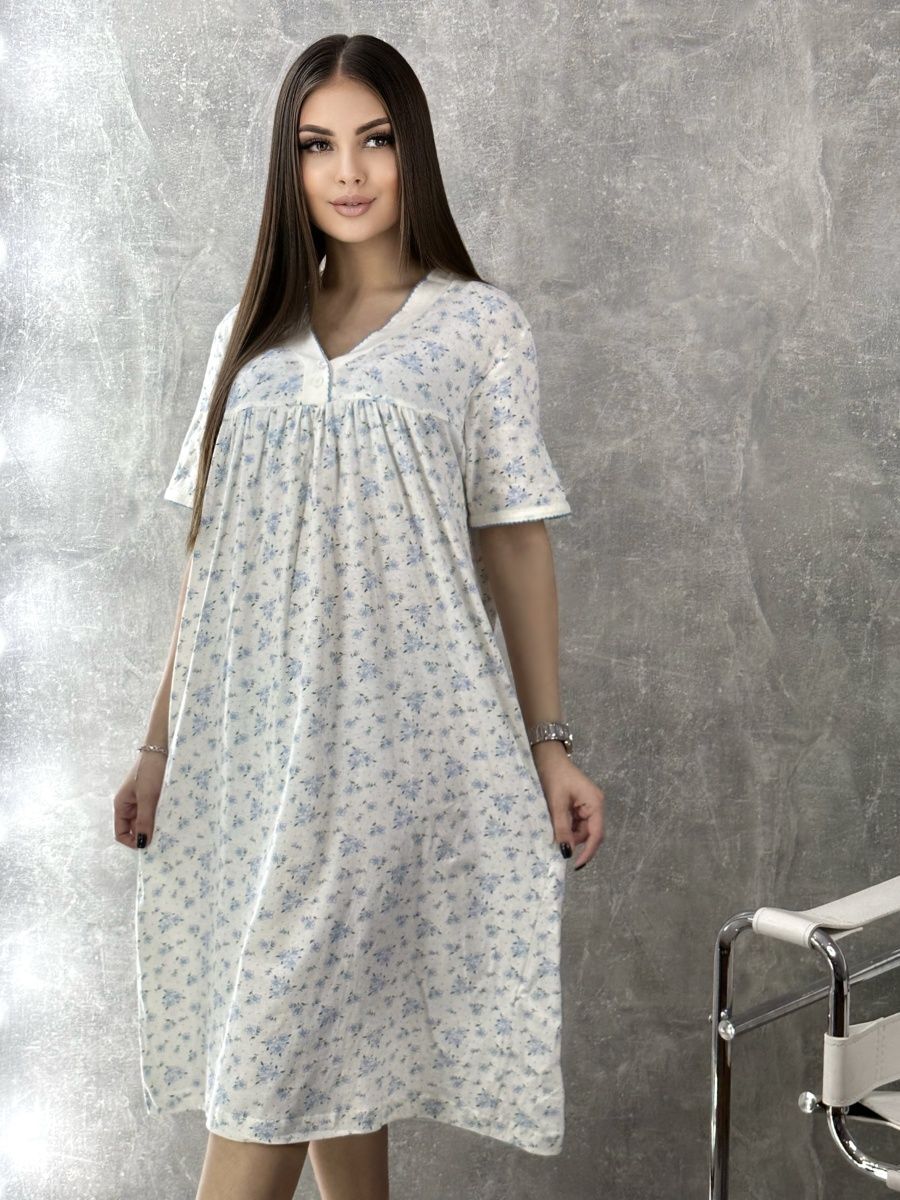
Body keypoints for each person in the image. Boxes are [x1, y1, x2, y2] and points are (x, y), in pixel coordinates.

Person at [113, 32, 605, 1200]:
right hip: (253, 762)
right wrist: (158, 744)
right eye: (316, 145)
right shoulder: (247, 339)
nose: (347, 171)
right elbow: (209, 559)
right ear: (288, 167)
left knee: (275, 1057)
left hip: (399, 760)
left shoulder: (477, 328)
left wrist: (548, 742)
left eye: (374, 141)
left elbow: (516, 537)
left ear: (410, 152)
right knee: (334, 1064)